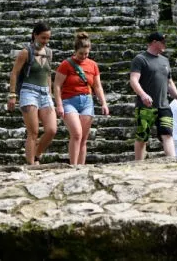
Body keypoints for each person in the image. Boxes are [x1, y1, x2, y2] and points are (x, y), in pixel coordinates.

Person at [53, 31, 110, 165]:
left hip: (87, 101)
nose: (83, 56)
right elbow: (56, 86)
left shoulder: (92, 65)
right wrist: (59, 105)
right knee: (77, 134)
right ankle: (73, 165)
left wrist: (104, 103)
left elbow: (97, 86)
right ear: (75, 51)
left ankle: (81, 166)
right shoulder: (66, 64)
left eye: (86, 54)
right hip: (69, 101)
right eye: (81, 54)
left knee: (84, 138)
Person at [129, 31, 177, 160]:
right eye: (163, 41)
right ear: (154, 42)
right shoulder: (140, 59)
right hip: (145, 106)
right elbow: (133, 80)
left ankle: (172, 162)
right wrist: (143, 95)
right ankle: (139, 165)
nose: (165, 44)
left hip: (164, 105)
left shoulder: (165, 60)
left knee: (167, 134)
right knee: (142, 136)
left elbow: (169, 82)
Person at [7, 21, 57, 165]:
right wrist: (12, 94)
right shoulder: (25, 52)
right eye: (43, 38)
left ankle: (37, 154)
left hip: (45, 93)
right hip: (28, 91)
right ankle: (30, 164)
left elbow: (48, 74)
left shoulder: (49, 52)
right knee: (33, 131)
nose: (45, 41)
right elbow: (14, 73)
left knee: (52, 130)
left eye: (48, 38)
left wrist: (50, 94)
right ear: (35, 35)